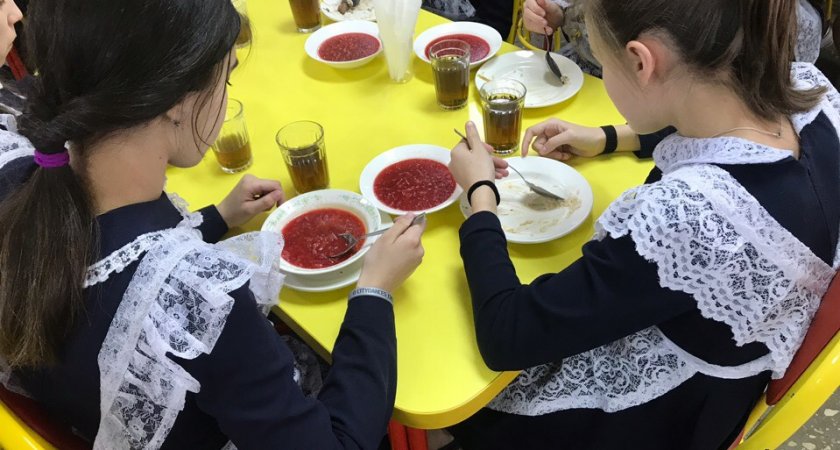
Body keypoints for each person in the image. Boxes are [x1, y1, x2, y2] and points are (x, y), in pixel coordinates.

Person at [0, 0, 425, 448]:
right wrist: (375, 289)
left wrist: (217, 218)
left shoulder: (23, 183)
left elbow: (114, 259)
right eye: (227, 76)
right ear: (176, 103)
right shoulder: (198, 300)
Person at [447, 0, 839, 448]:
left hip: (665, 420)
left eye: (603, 61)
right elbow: (709, 120)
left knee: (443, 383)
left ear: (639, 61)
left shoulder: (690, 216)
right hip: (728, 371)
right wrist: (608, 137)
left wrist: (480, 193)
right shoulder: (810, 94)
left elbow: (507, 335)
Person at [521, 0, 826, 77]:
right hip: (586, 80)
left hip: (679, 120)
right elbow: (561, 11)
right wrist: (554, 14)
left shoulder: (784, 18)